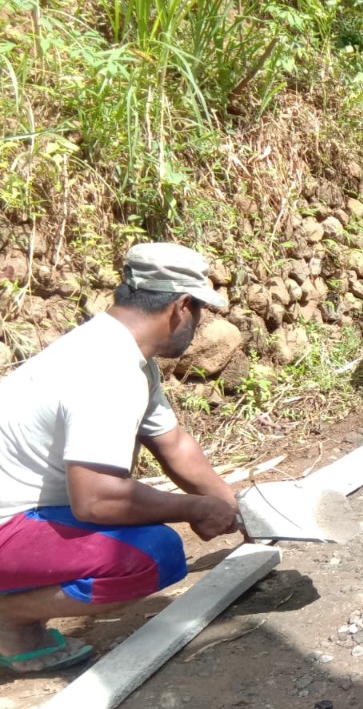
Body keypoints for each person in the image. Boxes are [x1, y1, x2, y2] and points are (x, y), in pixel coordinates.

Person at [0, 243, 241, 673]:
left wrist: (233, 509)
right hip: (9, 526)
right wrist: (192, 508)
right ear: (181, 306)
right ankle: (9, 619)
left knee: (145, 535)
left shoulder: (118, 350)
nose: (198, 322)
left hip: (23, 514)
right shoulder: (107, 371)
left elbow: (173, 443)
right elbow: (96, 500)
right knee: (153, 554)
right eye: (200, 310)